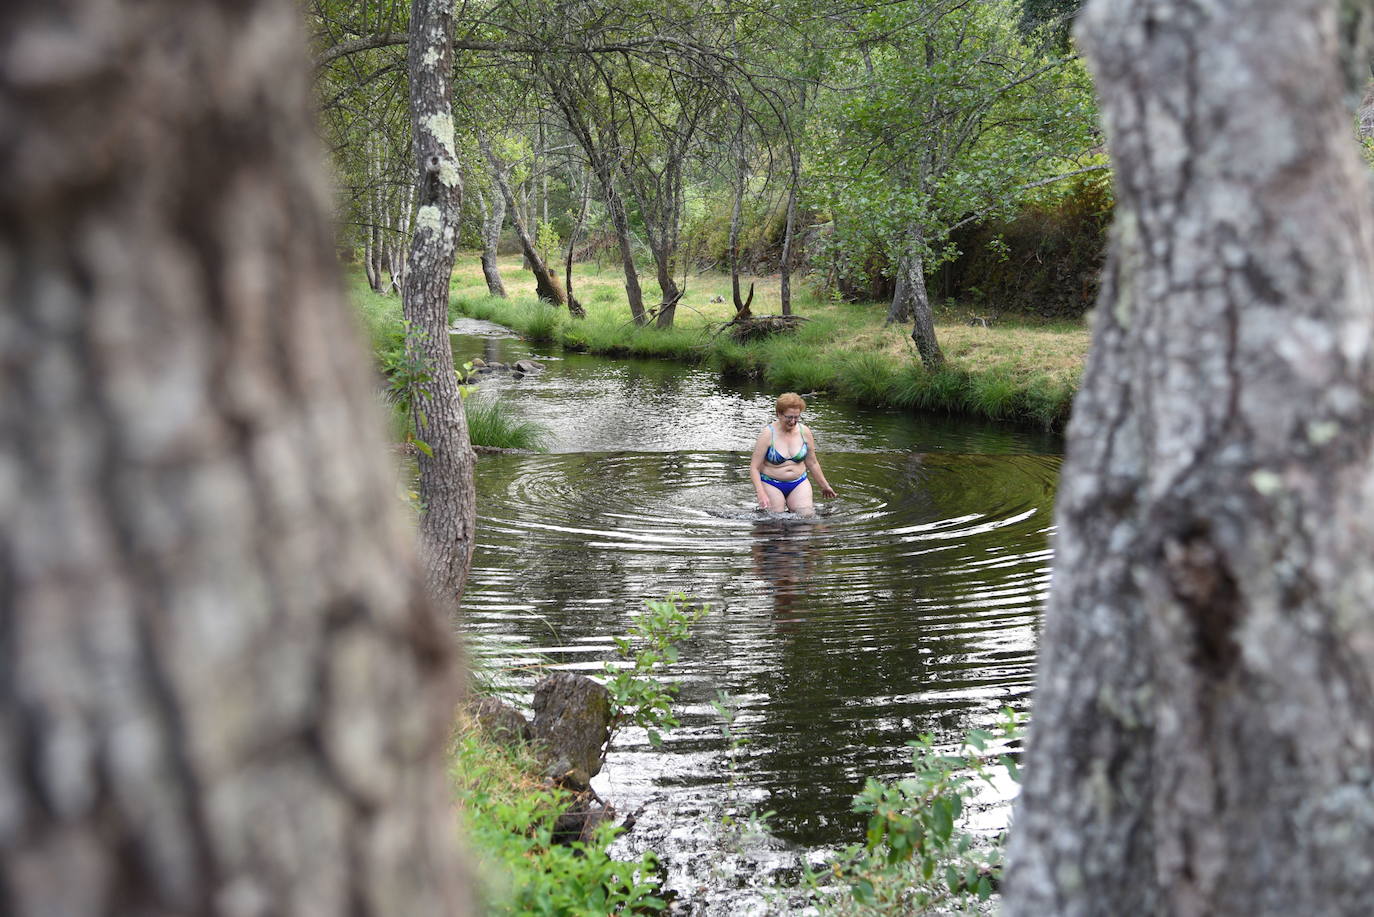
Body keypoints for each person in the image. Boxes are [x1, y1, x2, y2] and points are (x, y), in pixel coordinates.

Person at [749, 393, 837, 515]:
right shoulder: (768, 434)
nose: (793, 421)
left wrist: (825, 486)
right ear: (779, 414)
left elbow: (812, 463)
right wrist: (761, 493)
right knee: (775, 519)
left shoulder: (804, 432)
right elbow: (754, 468)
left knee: (806, 516)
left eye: (797, 417)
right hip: (771, 483)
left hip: (798, 482)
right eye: (789, 417)